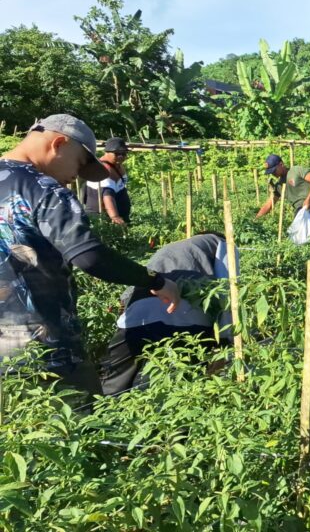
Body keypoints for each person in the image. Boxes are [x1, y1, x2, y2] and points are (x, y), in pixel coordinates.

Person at [0, 114, 180, 396]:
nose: (76, 177)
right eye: (80, 163)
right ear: (58, 143)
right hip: (43, 346)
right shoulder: (45, 190)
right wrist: (155, 281)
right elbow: (90, 257)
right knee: (86, 432)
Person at [99, 232, 238, 395]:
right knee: (191, 386)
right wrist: (225, 341)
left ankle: (99, 418)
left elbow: (131, 290)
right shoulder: (223, 243)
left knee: (113, 385)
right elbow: (228, 291)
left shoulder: (171, 248)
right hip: (188, 315)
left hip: (137, 313)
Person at [255, 153, 310, 218]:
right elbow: (269, 204)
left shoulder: (296, 170)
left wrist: (308, 199)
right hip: (300, 211)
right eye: (271, 172)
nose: (273, 173)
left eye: (274, 170)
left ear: (281, 164)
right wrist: (257, 218)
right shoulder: (279, 186)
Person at [83, 137, 131, 225]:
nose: (121, 156)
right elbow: (107, 195)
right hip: (102, 220)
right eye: (117, 153)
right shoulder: (102, 169)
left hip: (119, 218)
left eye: (123, 153)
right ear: (106, 152)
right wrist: (115, 217)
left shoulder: (117, 165)